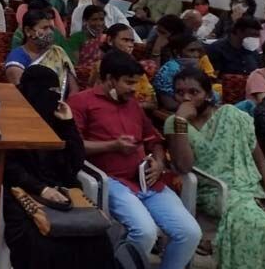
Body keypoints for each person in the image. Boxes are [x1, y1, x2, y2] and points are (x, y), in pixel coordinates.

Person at [69, 50, 201, 269]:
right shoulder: (81, 102)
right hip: (110, 180)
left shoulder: (132, 105)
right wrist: (113, 146)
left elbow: (154, 141)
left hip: (146, 179)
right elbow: (74, 147)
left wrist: (158, 162)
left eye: (136, 83)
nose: (134, 89)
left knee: (189, 232)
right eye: (129, 83)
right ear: (110, 78)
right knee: (145, 231)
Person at [165, 67, 265, 269]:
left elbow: (260, 161)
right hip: (214, 191)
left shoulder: (232, 116)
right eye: (179, 92)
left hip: (251, 190)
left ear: (208, 94)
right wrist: (180, 121)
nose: (186, 98)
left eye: (194, 92)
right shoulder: (175, 123)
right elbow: (184, 166)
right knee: (264, 228)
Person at [2, 64, 116, 269]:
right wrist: (42, 189)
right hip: (22, 194)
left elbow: (75, 163)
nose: (54, 97)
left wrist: (68, 124)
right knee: (43, 246)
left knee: (97, 242)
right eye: (49, 91)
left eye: (57, 91)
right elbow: (8, 167)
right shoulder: (12, 120)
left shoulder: (56, 119)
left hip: (64, 194)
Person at [4, 10, 77, 88]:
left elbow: (73, 88)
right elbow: (23, 95)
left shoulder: (57, 52)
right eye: (45, 28)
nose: (50, 32)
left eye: (51, 28)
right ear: (28, 31)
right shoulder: (16, 61)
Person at [152, 33, 218, 111]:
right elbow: (170, 105)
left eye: (199, 50)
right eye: (191, 50)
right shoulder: (168, 70)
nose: (197, 54)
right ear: (177, 52)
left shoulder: (196, 66)